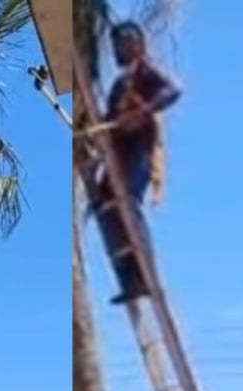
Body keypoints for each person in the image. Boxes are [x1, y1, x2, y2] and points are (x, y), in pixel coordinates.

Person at [92, 20, 181, 305]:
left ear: (136, 44)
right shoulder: (120, 84)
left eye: (123, 43)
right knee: (105, 206)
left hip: (139, 152)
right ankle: (129, 277)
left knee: (127, 203)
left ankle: (145, 274)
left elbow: (172, 91)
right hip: (119, 155)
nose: (119, 49)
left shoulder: (146, 72)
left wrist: (143, 112)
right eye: (116, 45)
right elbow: (109, 118)